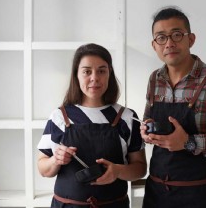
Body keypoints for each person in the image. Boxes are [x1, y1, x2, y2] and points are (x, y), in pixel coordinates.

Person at [140, 6, 206, 208]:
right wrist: (146, 130)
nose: (169, 43)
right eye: (161, 37)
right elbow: (149, 120)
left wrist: (190, 142)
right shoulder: (154, 79)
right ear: (154, 45)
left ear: (191, 39)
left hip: (201, 196)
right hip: (157, 195)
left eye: (177, 35)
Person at [37, 43, 147, 208]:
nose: (94, 78)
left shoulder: (126, 117)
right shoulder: (59, 117)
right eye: (87, 71)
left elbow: (140, 168)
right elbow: (43, 168)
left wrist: (117, 171)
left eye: (101, 71)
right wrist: (55, 160)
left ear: (109, 74)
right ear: (77, 75)